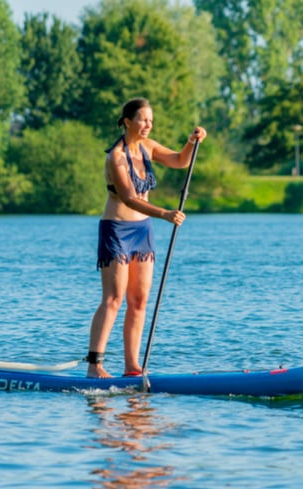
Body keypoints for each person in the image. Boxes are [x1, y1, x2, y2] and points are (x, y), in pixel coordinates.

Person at [86, 98, 207, 378]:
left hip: (143, 231)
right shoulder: (115, 157)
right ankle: (95, 366)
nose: (148, 125)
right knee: (114, 298)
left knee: (139, 300)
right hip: (116, 229)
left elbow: (179, 160)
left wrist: (192, 141)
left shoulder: (149, 148)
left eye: (151, 120)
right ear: (127, 121)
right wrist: (165, 213)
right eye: (143, 120)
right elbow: (129, 197)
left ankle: (132, 368)